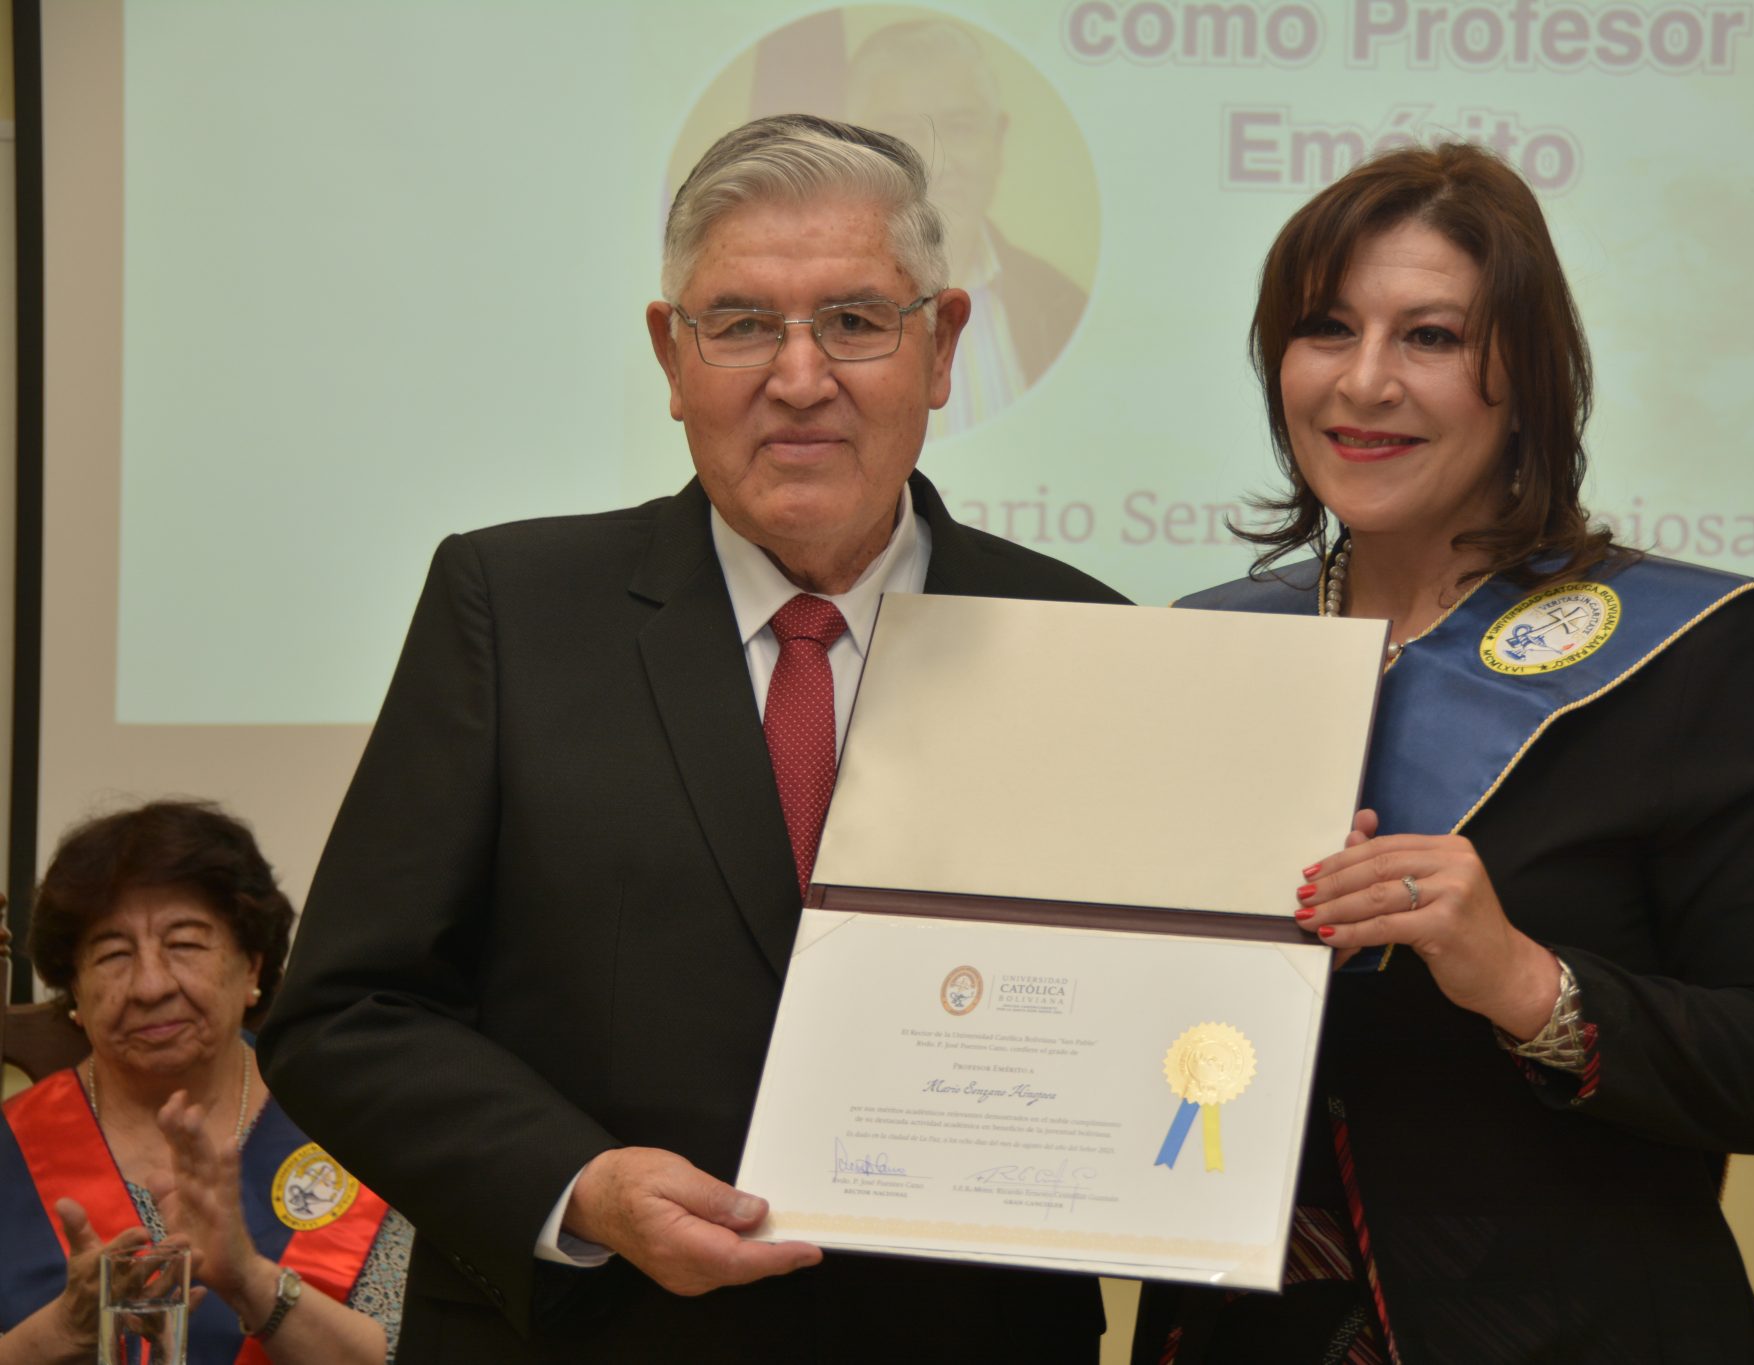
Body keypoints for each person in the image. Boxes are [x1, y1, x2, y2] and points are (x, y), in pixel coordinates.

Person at [256, 114, 1120, 1362]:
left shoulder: (1083, 640)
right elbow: (345, 1013)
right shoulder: (511, 610)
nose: (799, 377)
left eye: (855, 320)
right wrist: (578, 1186)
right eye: (742, 324)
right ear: (672, 356)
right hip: (596, 1332)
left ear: (941, 346)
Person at [1137, 143, 1754, 1363]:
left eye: (1428, 337)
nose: (1363, 381)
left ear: (1524, 379)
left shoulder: (1681, 651)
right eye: (1324, 329)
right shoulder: (1202, 651)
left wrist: (1523, 982)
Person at [0, 801, 411, 1364]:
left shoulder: (352, 1135)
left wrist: (250, 1282)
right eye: (113, 954)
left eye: (185, 945)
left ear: (252, 966)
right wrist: (55, 1334)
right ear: (75, 989)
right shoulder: (10, 1145)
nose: (150, 986)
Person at [844, 19, 1088, 434]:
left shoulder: (1062, 305)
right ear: (853, 147)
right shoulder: (804, 306)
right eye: (902, 133)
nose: (937, 163)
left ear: (998, 138)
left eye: (961, 128)